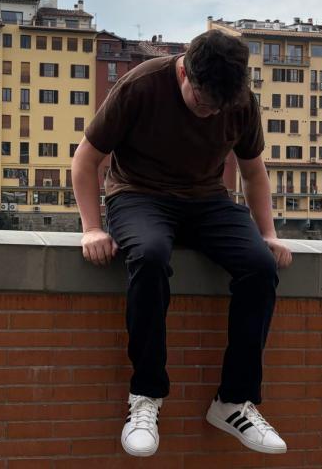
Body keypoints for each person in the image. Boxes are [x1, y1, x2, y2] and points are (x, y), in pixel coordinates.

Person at [71, 29, 293, 457]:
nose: (210, 114)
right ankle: (146, 395)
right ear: (184, 71)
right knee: (151, 256)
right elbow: (86, 159)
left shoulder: (239, 102)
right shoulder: (141, 84)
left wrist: (269, 234)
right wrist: (92, 228)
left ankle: (232, 402)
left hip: (207, 201)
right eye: (202, 103)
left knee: (260, 267)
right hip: (138, 194)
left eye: (218, 107)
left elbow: (252, 171)